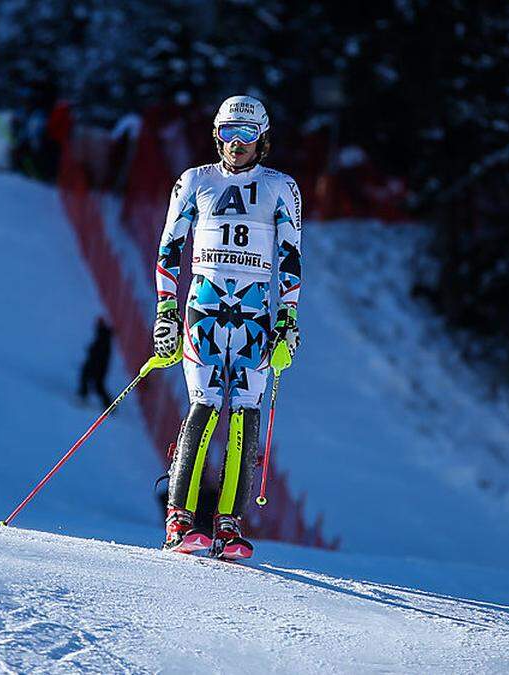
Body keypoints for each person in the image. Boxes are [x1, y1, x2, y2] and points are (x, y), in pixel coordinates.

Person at [152, 95, 302, 560]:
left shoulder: (282, 187)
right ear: (216, 135)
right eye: (228, 135)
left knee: (245, 410)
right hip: (205, 304)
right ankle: (181, 519)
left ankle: (229, 526)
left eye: (247, 136)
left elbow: (291, 259)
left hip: (256, 311)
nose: (237, 146)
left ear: (263, 140)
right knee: (204, 405)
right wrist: (165, 312)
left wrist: (288, 321)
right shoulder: (194, 180)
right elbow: (168, 248)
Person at [77, 317, 113, 407]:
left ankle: (109, 404)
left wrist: (92, 350)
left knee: (96, 383)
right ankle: (83, 395)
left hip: (98, 365)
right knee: (92, 381)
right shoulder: (103, 336)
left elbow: (99, 352)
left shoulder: (103, 337)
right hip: (98, 364)